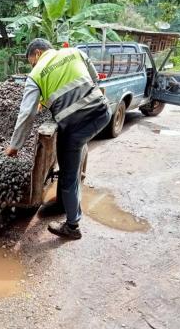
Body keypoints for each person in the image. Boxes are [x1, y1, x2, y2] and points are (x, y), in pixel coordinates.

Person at [6, 38, 111, 240]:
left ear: (37, 53)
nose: (33, 66)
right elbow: (94, 78)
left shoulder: (35, 75)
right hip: (101, 112)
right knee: (74, 157)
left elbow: (26, 114)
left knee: (69, 174)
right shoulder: (74, 52)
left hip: (75, 126)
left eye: (32, 62)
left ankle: (72, 226)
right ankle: (63, 202)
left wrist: (14, 146)